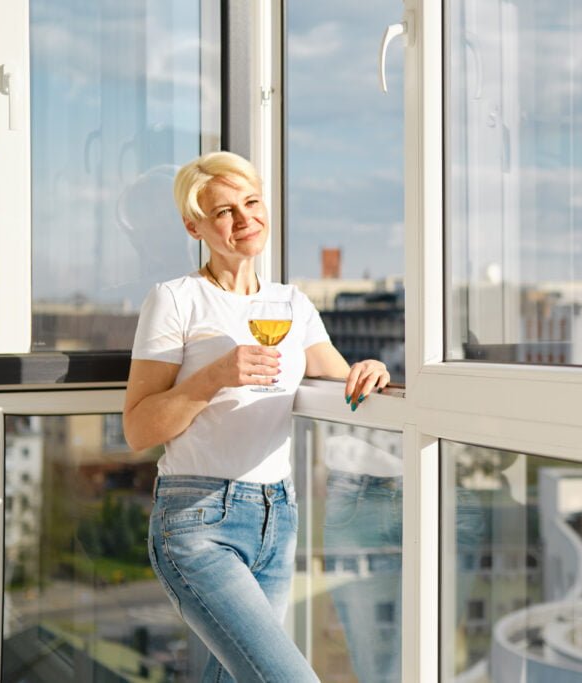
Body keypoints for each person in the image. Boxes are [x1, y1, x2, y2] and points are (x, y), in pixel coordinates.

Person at [122, 150, 388, 682]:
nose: (244, 219)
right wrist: (216, 375)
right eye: (224, 211)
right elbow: (138, 429)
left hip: (278, 515)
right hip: (197, 521)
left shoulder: (293, 305)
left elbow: (342, 379)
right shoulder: (175, 300)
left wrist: (374, 368)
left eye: (252, 202)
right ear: (193, 224)